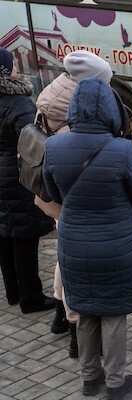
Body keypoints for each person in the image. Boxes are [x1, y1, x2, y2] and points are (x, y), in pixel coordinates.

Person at [43, 77, 132, 400]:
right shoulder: (123, 149)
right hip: (117, 242)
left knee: (84, 309)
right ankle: (116, 382)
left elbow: (51, 192)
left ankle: (90, 378)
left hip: (74, 241)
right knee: (114, 313)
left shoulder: (54, 146)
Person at [35, 50, 114, 358]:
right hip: (74, 199)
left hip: (52, 194)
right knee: (75, 268)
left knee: (63, 256)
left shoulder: (53, 92)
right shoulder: (75, 109)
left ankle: (58, 311)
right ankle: (74, 330)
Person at [0, 46, 55, 314]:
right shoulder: (19, 102)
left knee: (3, 232)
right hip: (16, 178)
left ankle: (12, 291)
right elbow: (33, 143)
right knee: (24, 236)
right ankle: (31, 298)